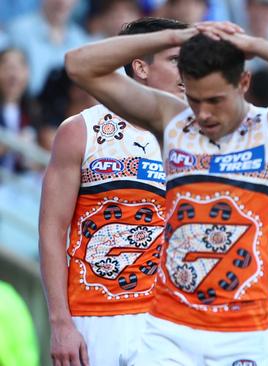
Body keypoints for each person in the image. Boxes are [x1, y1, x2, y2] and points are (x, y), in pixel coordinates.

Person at [65, 21, 268, 364]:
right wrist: (175, 37)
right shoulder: (173, 120)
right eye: (195, 99)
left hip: (243, 336)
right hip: (168, 332)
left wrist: (254, 45)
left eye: (215, 100)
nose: (204, 114)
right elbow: (79, 64)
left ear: (243, 82)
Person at [39, 17, 188, 366]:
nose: (189, 71)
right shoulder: (81, 131)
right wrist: (60, 322)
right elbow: (51, 229)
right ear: (141, 67)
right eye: (176, 60)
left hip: (167, 322)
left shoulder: (198, 141)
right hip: (95, 320)